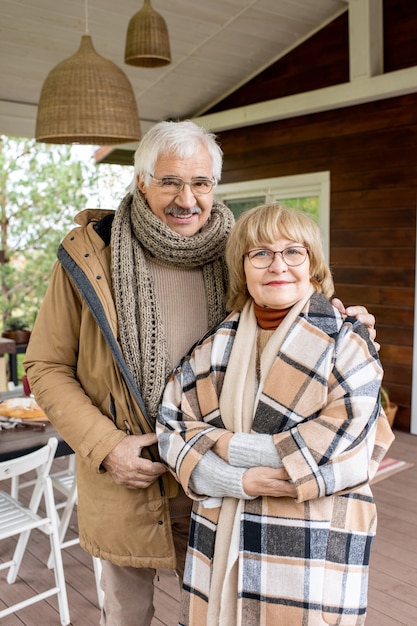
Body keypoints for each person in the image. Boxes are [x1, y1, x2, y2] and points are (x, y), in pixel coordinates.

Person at [24, 121, 376, 626]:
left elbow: (290, 307)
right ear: (141, 181)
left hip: (224, 481)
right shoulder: (90, 254)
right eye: (169, 182)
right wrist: (106, 446)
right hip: (132, 477)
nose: (187, 199)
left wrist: (342, 320)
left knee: (221, 611)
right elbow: (46, 364)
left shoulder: (243, 249)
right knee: (125, 617)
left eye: (201, 183)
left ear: (215, 185)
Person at [157, 202, 394, 626]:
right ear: (243, 269)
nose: (277, 265)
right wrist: (236, 479)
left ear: (313, 265)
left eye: (293, 252)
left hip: (313, 534)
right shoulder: (214, 346)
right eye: (260, 253)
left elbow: (345, 447)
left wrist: (226, 446)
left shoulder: (346, 340)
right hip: (223, 528)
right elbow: (172, 426)